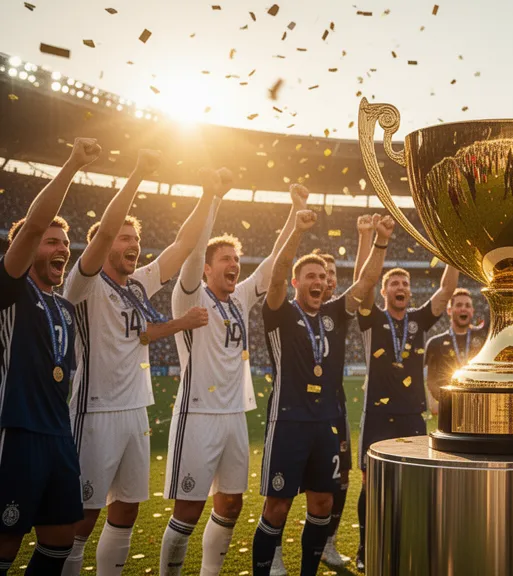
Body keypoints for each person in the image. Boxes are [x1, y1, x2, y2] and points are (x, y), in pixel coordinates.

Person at [61, 153, 220, 576]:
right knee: (82, 516)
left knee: (126, 509)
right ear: (103, 244)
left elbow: (183, 244)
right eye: (123, 238)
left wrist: (207, 195)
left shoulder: (138, 282)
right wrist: (137, 176)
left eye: (136, 239)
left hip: (135, 410)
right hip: (93, 411)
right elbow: (105, 232)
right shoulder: (84, 283)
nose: (132, 245)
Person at [159, 177, 307, 576]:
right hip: (198, 416)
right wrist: (213, 199)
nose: (233, 265)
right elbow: (190, 255)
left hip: (234, 418)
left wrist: (295, 212)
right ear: (207, 269)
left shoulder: (239, 297)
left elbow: (274, 264)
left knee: (230, 504)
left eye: (235, 260)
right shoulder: (190, 295)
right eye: (224, 259)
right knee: (188, 510)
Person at [252, 211, 393, 576]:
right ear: (297, 282)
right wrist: (297, 230)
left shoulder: (334, 313)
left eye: (322, 277)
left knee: (323, 502)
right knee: (277, 506)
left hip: (326, 423)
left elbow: (366, 282)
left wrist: (381, 241)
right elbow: (278, 272)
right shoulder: (280, 311)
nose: (318, 281)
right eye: (310, 276)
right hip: (288, 422)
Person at [0, 138, 101, 576]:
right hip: (17, 432)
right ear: (25, 246)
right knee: (5, 539)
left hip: (59, 437)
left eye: (65, 243)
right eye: (49, 241)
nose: (61, 248)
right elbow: (36, 221)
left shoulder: (64, 305)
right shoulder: (11, 290)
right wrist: (74, 163)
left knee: (60, 538)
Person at [355, 262, 460, 569]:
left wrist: (453, 255)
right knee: (369, 481)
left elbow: (446, 291)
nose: (401, 288)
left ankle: (410, 542)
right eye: (395, 283)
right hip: (377, 413)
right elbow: (365, 281)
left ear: (410, 291)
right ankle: (365, 545)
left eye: (405, 284)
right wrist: (375, 243)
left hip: (412, 414)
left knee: (414, 481)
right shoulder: (372, 318)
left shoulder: (418, 320)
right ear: (385, 290)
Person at [425, 288, 487, 407]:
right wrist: (441, 403)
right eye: (459, 305)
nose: (463, 308)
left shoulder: (484, 339)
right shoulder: (435, 343)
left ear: (472, 311)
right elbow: (431, 381)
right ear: (449, 310)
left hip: (479, 407)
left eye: (467, 305)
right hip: (448, 408)